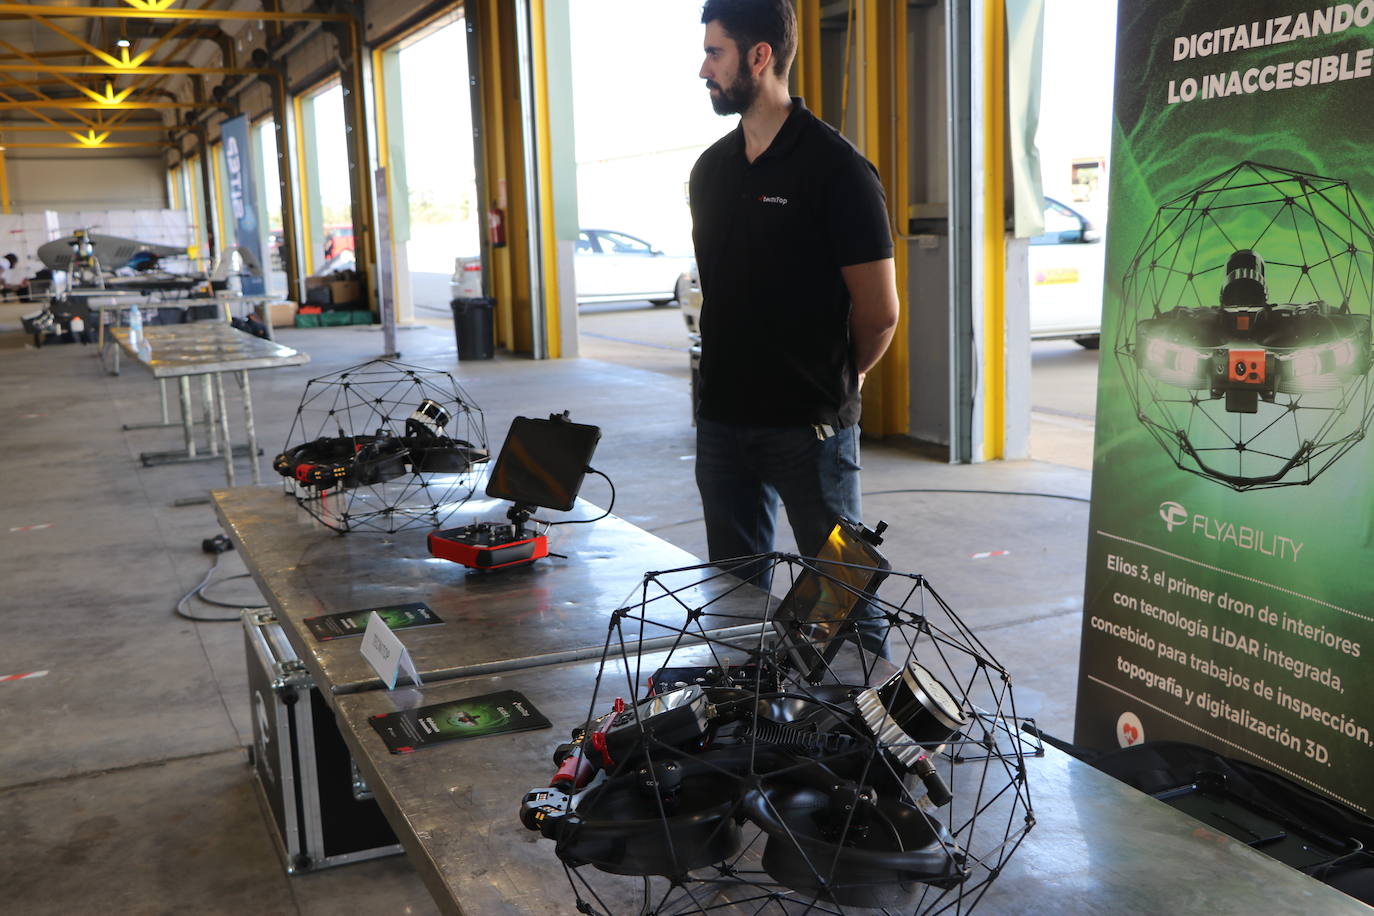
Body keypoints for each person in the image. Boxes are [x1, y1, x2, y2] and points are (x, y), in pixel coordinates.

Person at [689, 0, 900, 651]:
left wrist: (838, 377)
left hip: (808, 429)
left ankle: (876, 746)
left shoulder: (838, 172)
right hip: (723, 424)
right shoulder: (710, 173)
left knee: (845, 605)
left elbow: (880, 312)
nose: (702, 68)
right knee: (734, 600)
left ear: (760, 57)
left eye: (715, 52)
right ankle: (755, 733)